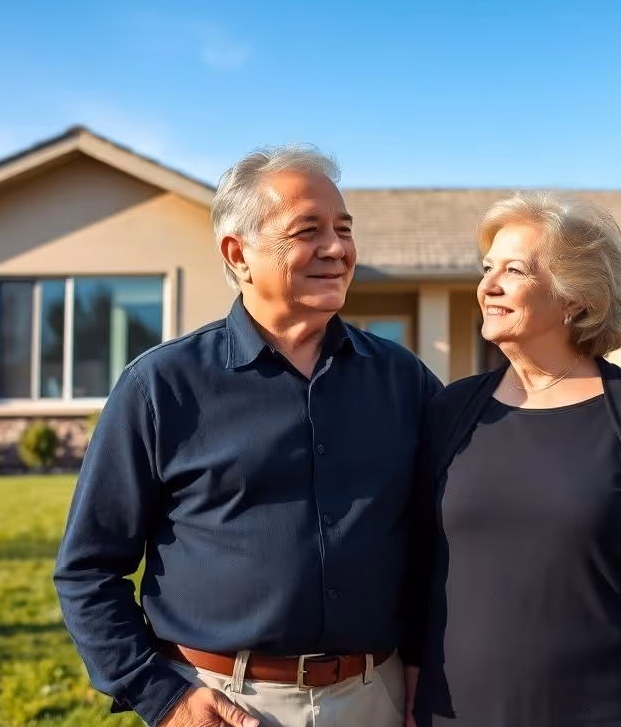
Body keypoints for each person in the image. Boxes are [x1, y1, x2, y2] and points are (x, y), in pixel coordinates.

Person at [53, 146, 441, 727]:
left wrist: (420, 665)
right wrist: (162, 697)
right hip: (224, 704)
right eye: (308, 231)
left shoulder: (403, 378)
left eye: (343, 229)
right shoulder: (160, 386)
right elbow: (87, 569)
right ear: (238, 254)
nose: (336, 249)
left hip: (376, 696)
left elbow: (439, 537)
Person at [407, 192, 621, 727]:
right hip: (460, 712)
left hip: (619, 708)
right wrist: (413, 695)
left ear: (574, 299)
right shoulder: (451, 410)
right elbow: (420, 572)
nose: (488, 286)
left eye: (513, 270)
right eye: (487, 269)